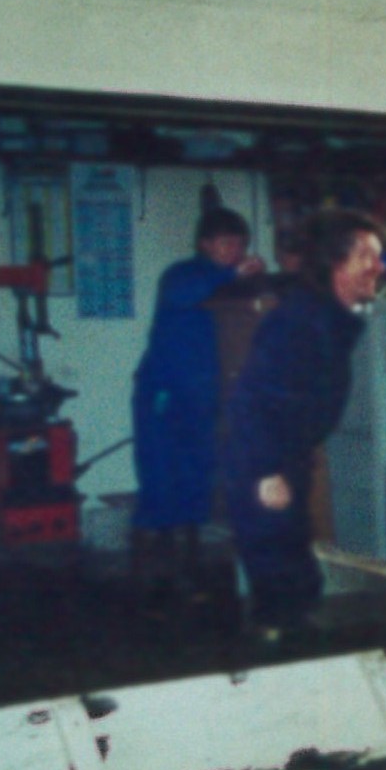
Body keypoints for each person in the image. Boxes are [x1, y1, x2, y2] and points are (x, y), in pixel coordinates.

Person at [222, 208, 386, 640]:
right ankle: (272, 652)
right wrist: (266, 472)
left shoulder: (329, 318)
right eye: (367, 256)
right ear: (337, 263)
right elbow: (252, 400)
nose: (379, 266)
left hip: (285, 457)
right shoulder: (301, 321)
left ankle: (287, 643)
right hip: (262, 461)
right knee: (279, 585)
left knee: (296, 578)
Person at [128, 190, 265, 609]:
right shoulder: (182, 275)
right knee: (161, 478)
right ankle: (149, 579)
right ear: (205, 244)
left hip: (202, 397)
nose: (235, 250)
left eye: (240, 244)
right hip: (163, 394)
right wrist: (234, 273)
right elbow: (187, 294)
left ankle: (189, 571)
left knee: (196, 478)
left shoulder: (227, 280)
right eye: (227, 243)